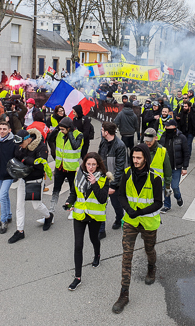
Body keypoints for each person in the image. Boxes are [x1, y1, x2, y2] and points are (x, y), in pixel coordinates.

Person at [112, 143, 163, 314]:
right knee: (126, 256)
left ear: (146, 158)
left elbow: (158, 202)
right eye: (133, 157)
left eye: (138, 158)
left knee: (149, 249)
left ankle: (151, 267)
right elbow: (121, 195)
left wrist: (140, 212)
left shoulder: (155, 178)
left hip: (148, 222)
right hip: (130, 221)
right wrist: (129, 210)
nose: (135, 161)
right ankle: (124, 294)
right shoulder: (127, 174)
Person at [65, 153, 111, 291]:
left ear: (98, 165)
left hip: (94, 216)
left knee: (93, 238)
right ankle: (77, 277)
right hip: (79, 215)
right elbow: (74, 192)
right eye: (88, 164)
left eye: (93, 165)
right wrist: (69, 202)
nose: (90, 167)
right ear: (85, 164)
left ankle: (97, 254)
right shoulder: (79, 175)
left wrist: (94, 183)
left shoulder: (104, 178)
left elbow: (102, 199)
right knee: (78, 245)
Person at [9, 128, 54, 244]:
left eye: (21, 143)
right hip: (24, 179)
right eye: (18, 144)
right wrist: (27, 161)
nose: (20, 146)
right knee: (19, 205)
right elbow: (17, 155)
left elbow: (40, 164)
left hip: (36, 179)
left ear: (28, 139)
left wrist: (25, 159)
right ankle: (20, 231)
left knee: (36, 205)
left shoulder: (41, 147)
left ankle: (48, 217)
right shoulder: (20, 146)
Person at [97, 122, 127, 239]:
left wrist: (113, 186)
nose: (101, 130)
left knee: (116, 203)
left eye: (102, 129)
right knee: (101, 204)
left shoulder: (120, 146)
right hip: (103, 179)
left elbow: (120, 168)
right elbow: (100, 158)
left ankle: (119, 218)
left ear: (107, 132)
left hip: (115, 180)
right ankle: (101, 230)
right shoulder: (103, 142)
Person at [50, 117, 83, 213]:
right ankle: (51, 211)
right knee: (56, 189)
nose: (61, 131)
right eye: (60, 129)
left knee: (73, 191)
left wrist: (70, 134)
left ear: (69, 128)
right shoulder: (60, 133)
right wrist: (57, 128)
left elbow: (75, 146)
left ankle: (72, 208)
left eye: (63, 129)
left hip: (72, 169)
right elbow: (50, 139)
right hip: (60, 167)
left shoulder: (79, 135)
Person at [159, 119, 190, 212]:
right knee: (166, 186)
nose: (166, 128)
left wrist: (185, 167)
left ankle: (178, 197)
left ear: (174, 127)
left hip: (177, 167)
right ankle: (167, 205)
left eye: (168, 126)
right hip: (165, 167)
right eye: (166, 126)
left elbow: (186, 153)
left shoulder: (181, 138)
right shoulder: (164, 136)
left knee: (175, 186)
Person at [143, 128, 172, 198]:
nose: (148, 142)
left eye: (150, 140)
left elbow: (167, 169)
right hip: (143, 184)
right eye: (146, 140)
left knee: (155, 206)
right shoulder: (141, 149)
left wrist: (167, 186)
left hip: (157, 185)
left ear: (156, 138)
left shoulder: (162, 151)